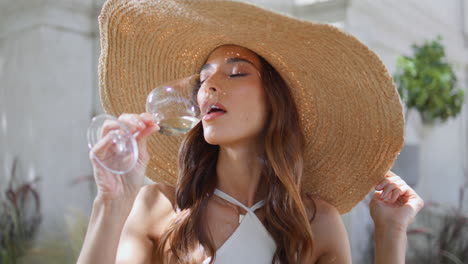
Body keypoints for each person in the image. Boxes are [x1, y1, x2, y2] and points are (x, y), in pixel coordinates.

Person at [77, 0, 424, 263]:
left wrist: (390, 232)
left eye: (236, 72)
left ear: (276, 102)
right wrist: (111, 202)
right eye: (202, 78)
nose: (208, 85)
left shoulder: (318, 223)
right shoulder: (159, 205)